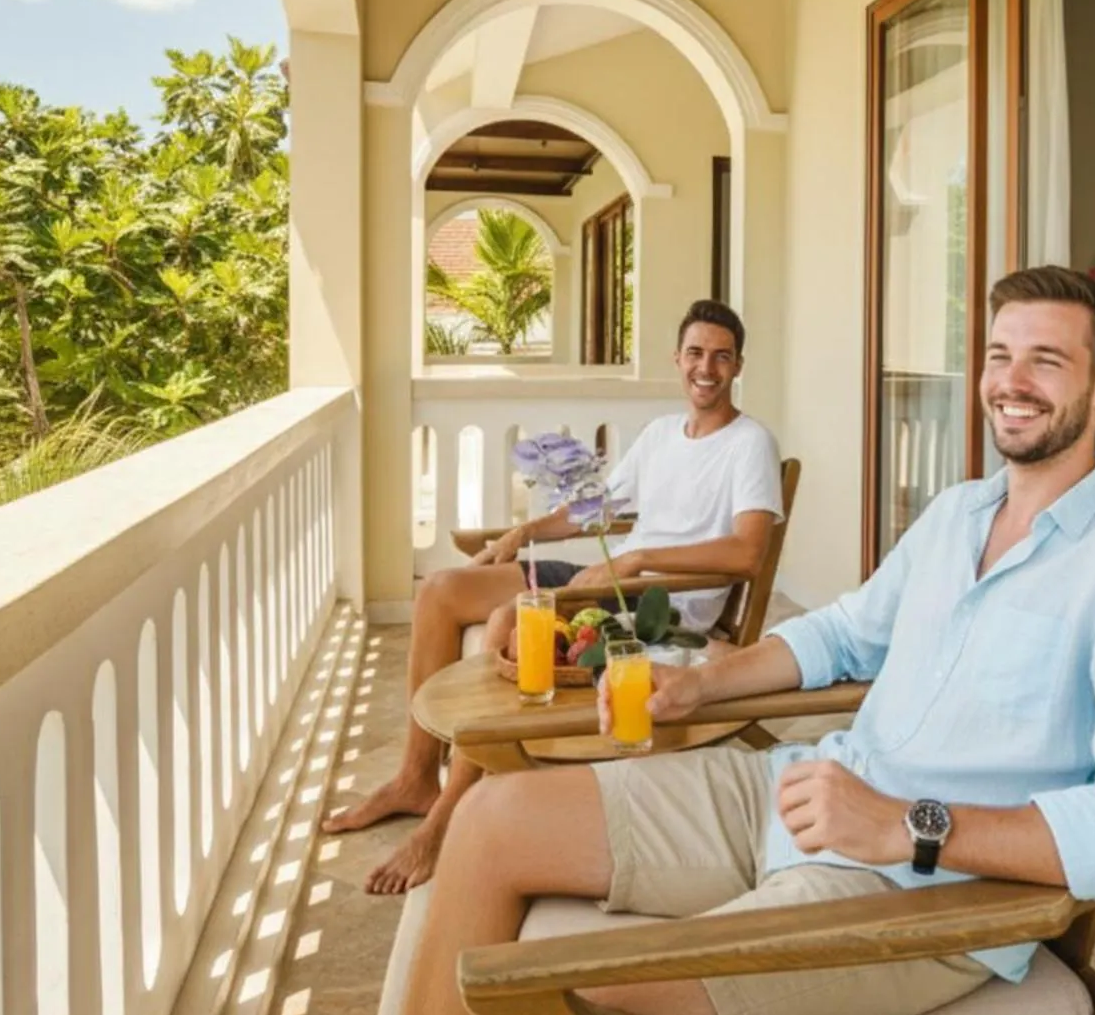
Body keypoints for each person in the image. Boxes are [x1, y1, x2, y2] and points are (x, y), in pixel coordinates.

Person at [406, 265, 1095, 1015]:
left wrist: (911, 824)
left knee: (595, 978)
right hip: (797, 792)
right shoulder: (956, 515)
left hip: (926, 893)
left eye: (1046, 360)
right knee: (489, 817)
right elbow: (844, 633)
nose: (1011, 381)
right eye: (1000, 354)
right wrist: (702, 683)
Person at [324, 299, 784, 895]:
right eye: (695, 353)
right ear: (677, 359)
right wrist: (524, 533)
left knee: (507, 622)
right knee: (440, 590)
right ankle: (415, 778)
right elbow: (600, 509)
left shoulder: (750, 444)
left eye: (721, 357)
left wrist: (639, 558)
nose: (706, 367)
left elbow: (747, 552)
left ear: (738, 366)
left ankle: (445, 818)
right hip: (613, 577)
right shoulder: (661, 433)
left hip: (663, 601)